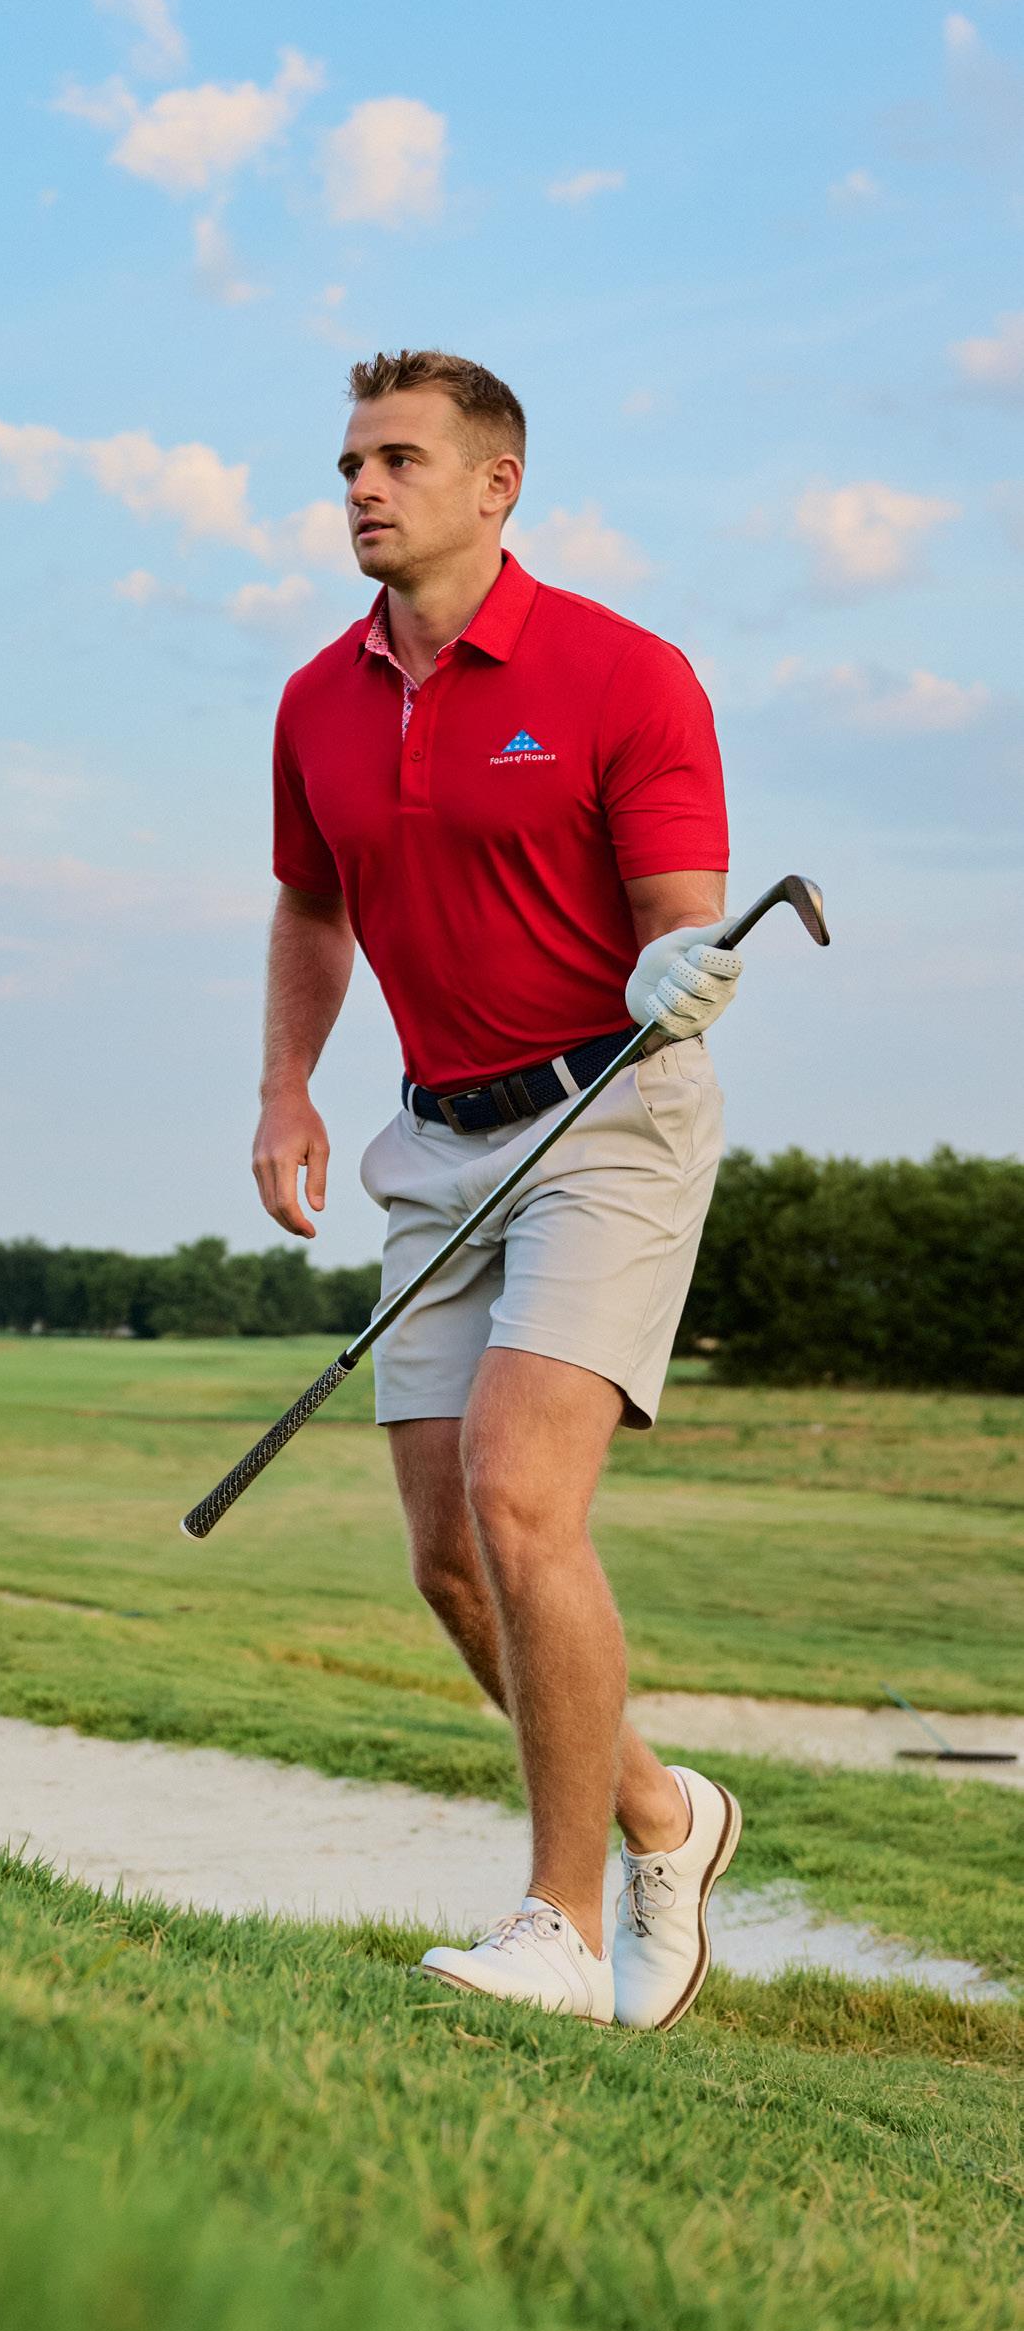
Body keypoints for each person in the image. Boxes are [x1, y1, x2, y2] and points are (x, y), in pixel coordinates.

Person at [253, 348, 741, 2028]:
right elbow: (311, 902)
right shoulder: (313, 700)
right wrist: (285, 1085)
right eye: (348, 464)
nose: (360, 488)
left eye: (395, 459)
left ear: (494, 483)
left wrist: (679, 964)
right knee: (452, 1560)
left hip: (606, 1115)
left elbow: (680, 915)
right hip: (432, 1142)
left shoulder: (622, 671)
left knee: (518, 1494)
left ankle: (560, 1923)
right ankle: (664, 1817)